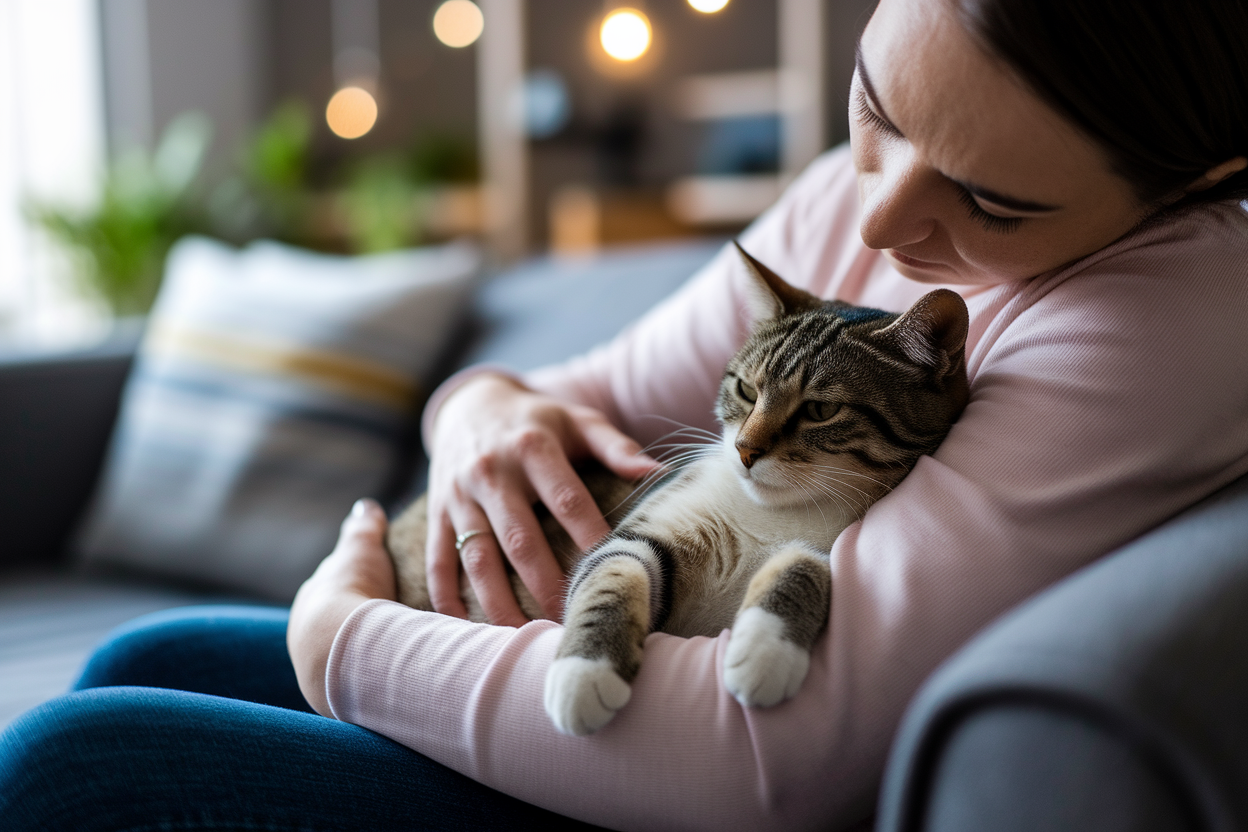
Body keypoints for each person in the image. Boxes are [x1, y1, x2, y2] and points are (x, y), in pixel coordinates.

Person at [4, 0, 1247, 828]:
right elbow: (569, 392)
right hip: (596, 645)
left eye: (987, 201)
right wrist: (479, 408)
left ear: (1200, 183)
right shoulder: (843, 204)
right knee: (138, 659)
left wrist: (340, 642)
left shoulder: (1161, 317)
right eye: (874, 110)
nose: (874, 226)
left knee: (68, 763)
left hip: (666, 770)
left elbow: (763, 762)